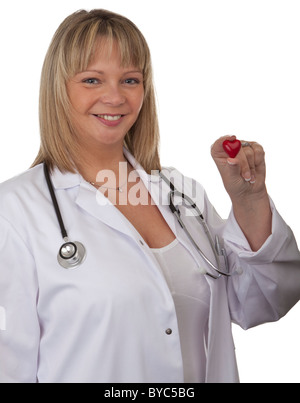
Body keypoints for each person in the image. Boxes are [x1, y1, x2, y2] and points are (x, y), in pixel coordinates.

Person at [0, 9, 299, 384]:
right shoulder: (14, 211)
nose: (115, 97)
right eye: (92, 79)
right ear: (58, 89)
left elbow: (263, 300)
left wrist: (249, 199)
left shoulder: (180, 194)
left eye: (130, 79)